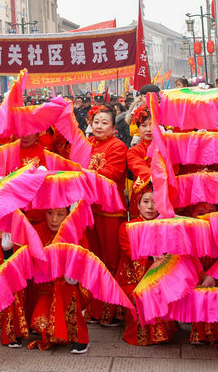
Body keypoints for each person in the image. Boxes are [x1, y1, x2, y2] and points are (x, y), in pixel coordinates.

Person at [84, 105, 128, 326]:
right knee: (93, 258)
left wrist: (84, 175)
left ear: (113, 126)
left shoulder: (118, 146)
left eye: (104, 122)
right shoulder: (86, 144)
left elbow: (112, 173)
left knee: (110, 260)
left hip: (109, 212)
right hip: (89, 211)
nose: (99, 126)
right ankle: (94, 309)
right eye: (96, 122)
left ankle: (111, 311)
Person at [117, 188, 178, 346]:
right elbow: (132, 252)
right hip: (134, 280)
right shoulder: (127, 228)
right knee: (145, 296)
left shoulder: (165, 226)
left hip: (160, 276)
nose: (150, 206)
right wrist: (152, 256)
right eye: (145, 201)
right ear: (137, 205)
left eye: (155, 202)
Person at [29, 207, 90, 353]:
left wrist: (74, 272)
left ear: (68, 214)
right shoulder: (36, 231)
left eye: (60, 214)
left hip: (72, 288)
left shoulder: (76, 231)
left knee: (64, 285)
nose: (54, 219)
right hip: (46, 290)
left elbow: (86, 263)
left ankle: (80, 337)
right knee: (39, 324)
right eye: (50, 213)